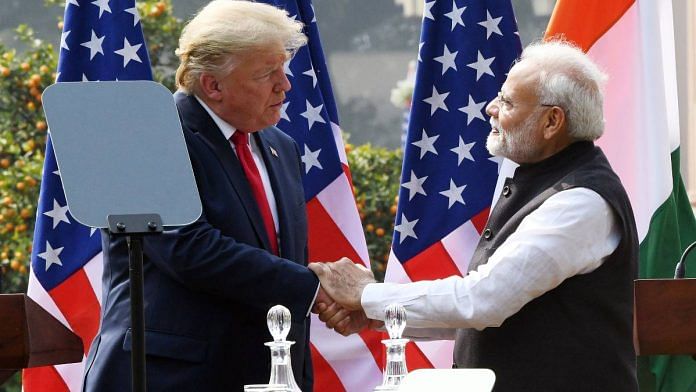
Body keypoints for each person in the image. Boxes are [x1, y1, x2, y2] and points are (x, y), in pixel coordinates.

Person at [312, 40, 639, 392]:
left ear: (552, 121)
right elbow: (490, 313)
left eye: (508, 102)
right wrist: (376, 313)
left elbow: (482, 302)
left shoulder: (579, 201)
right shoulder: (543, 180)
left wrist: (366, 295)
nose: (490, 109)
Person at [83, 1, 329, 390]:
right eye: (268, 73)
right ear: (213, 85)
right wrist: (319, 289)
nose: (285, 84)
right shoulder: (145, 138)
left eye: (284, 68)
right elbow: (190, 250)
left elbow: (280, 261)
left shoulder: (281, 147)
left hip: (267, 376)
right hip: (170, 379)